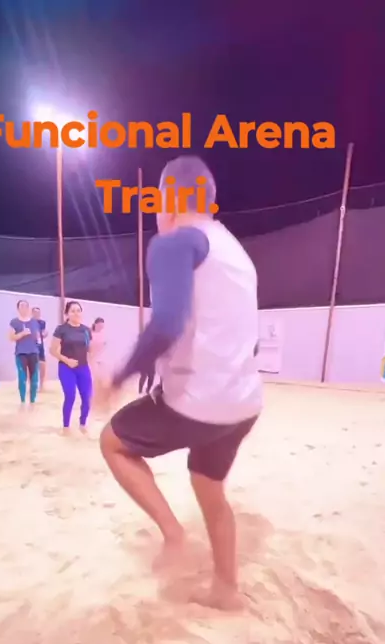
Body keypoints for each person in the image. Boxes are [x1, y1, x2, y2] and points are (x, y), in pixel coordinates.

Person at [98, 155, 262, 610]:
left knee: (113, 442)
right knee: (208, 486)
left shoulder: (172, 241)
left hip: (198, 402)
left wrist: (119, 376)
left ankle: (173, 534)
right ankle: (226, 589)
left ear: (166, 199)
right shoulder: (235, 252)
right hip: (245, 404)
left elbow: (167, 323)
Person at [50, 300, 93, 434]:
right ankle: (66, 426)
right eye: (73, 311)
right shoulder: (61, 329)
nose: (76, 313)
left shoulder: (86, 330)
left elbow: (89, 350)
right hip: (66, 368)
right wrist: (67, 360)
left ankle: (83, 424)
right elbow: (52, 350)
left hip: (83, 368)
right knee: (70, 395)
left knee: (87, 397)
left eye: (78, 311)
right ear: (67, 314)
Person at [9, 300, 40, 406]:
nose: (24, 308)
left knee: (34, 378)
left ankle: (32, 401)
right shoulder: (14, 322)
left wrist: (38, 337)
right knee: (22, 378)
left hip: (34, 352)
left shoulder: (34, 322)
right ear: (18, 308)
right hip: (21, 353)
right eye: (22, 306)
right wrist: (22, 334)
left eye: (26, 306)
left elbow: (37, 336)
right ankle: (22, 400)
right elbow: (11, 337)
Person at [32, 306, 48, 391]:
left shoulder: (42, 322)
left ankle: (41, 385)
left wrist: (45, 334)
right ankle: (32, 384)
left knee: (42, 364)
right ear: (32, 313)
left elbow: (44, 332)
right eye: (35, 312)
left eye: (38, 312)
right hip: (31, 347)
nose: (37, 314)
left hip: (40, 346)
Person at [89, 317, 108, 383]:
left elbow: (104, 344)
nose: (101, 328)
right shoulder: (90, 333)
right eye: (99, 326)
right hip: (90, 357)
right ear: (95, 324)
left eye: (102, 326)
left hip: (99, 356)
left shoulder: (102, 334)